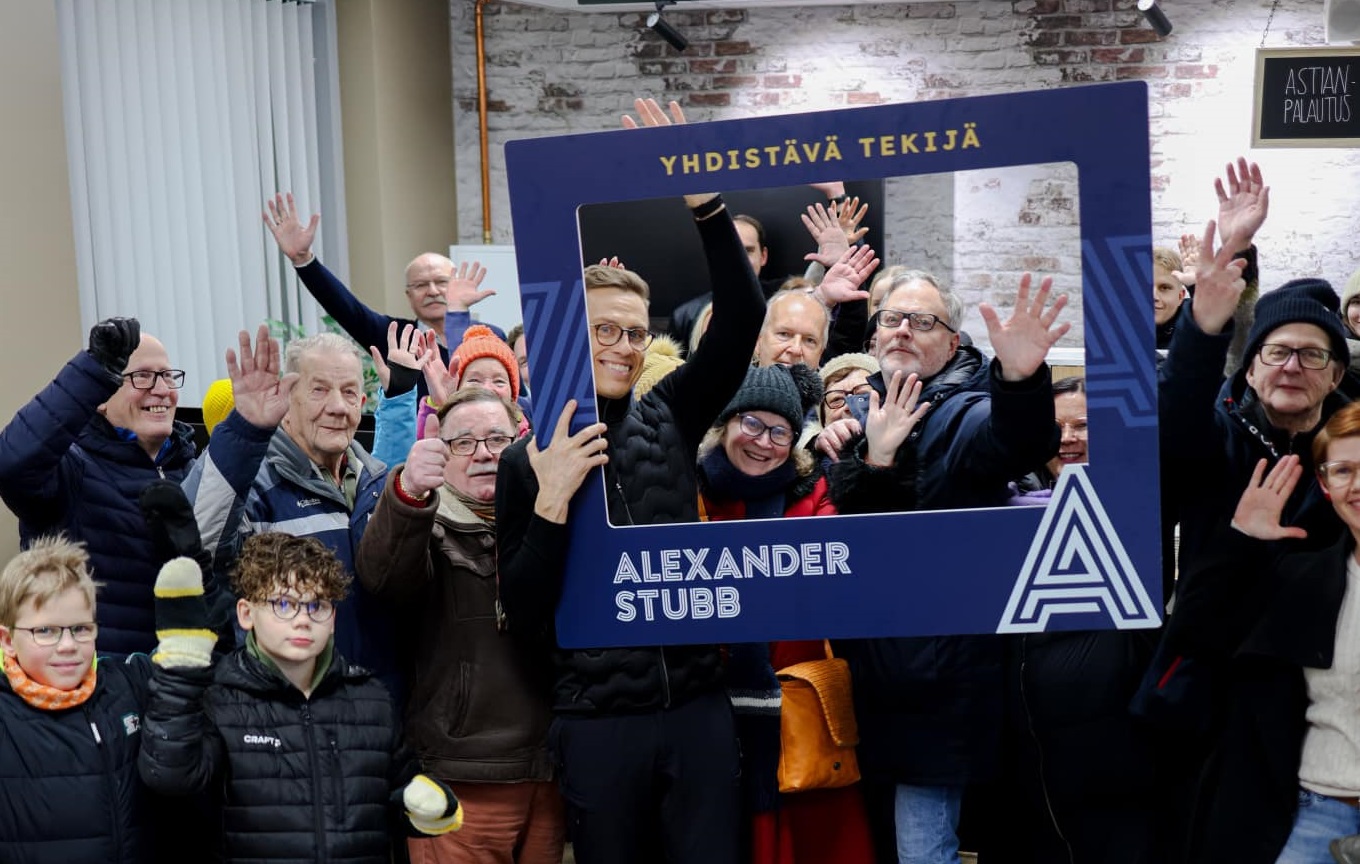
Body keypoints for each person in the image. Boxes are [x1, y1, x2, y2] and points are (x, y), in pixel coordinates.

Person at [495, 97, 767, 864]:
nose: (623, 345)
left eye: (636, 332)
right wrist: (552, 500)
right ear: (566, 334)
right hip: (597, 724)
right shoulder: (524, 460)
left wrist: (706, 206)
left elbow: (743, 318)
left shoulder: (670, 414)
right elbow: (523, 609)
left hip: (697, 709)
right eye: (604, 329)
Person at [827, 269, 1068, 864]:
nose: (903, 330)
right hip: (869, 681)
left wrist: (1021, 380)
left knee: (923, 848)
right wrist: (870, 456)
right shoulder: (863, 409)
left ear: (953, 342)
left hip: (935, 688)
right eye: (892, 319)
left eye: (923, 321)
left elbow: (1014, 441)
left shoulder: (963, 410)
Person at [138, 532, 463, 862]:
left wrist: (429, 810)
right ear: (246, 614)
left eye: (317, 605)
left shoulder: (371, 699)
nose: (303, 620)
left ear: (333, 619)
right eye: (284, 604)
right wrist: (179, 672)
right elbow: (170, 776)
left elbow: (394, 802)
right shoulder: (220, 699)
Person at [357, 388, 562, 864]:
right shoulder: (427, 526)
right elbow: (382, 578)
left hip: (549, 772)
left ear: (521, 442)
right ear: (441, 453)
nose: (484, 453)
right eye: (464, 442)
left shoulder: (552, 517)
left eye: (497, 439)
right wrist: (409, 492)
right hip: (462, 777)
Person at [696, 362, 880, 864]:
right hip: (710, 713)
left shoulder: (812, 490)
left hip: (801, 713)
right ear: (725, 425)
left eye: (780, 432)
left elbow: (842, 572)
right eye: (752, 423)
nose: (764, 442)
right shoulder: (692, 491)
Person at [1162, 407, 1360, 863]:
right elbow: (1197, 637)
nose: (1356, 485)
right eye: (1342, 471)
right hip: (1321, 809)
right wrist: (1241, 541)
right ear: (1325, 486)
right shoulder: (1303, 579)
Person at [978, 375, 1162, 864]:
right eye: (1055, 427)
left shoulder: (1142, 502)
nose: (1068, 438)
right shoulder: (1004, 507)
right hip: (1029, 747)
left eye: (1082, 425)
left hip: (1118, 748)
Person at [184, 328, 397, 690]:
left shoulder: (379, 483)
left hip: (376, 705)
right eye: (319, 390)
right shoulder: (252, 483)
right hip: (287, 707)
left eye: (348, 392)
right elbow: (196, 547)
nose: (337, 407)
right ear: (287, 400)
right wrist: (244, 430)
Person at [0, 318, 210, 656]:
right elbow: (12, 466)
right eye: (142, 376)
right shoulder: (72, 468)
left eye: (167, 375)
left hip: (184, 680)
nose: (161, 389)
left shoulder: (195, 470)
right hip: (90, 680)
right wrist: (91, 371)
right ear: (101, 394)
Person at [0, 536, 155, 863]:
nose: (68, 645)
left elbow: (190, 665)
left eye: (81, 629)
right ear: (8, 640)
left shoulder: (126, 687)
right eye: (45, 631)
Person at [263, 192, 498, 400]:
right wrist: (304, 261)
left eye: (441, 282)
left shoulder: (487, 336)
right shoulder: (396, 336)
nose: (433, 291)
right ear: (408, 295)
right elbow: (347, 309)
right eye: (420, 285)